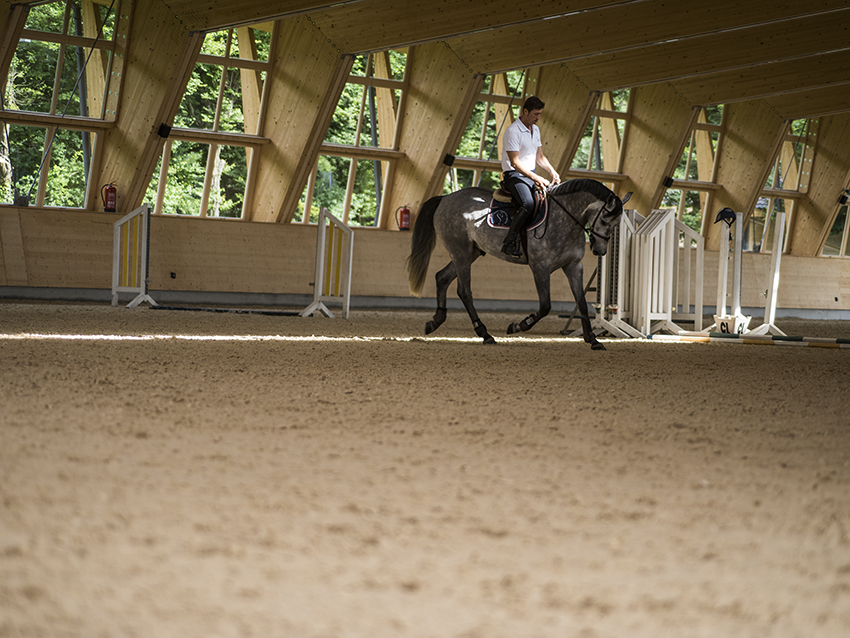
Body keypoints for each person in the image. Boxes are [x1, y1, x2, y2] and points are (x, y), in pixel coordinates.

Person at [499, 95, 561, 256]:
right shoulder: (513, 132)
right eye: (535, 114)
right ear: (525, 111)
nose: (538, 118)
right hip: (514, 175)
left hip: (530, 174)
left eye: (540, 114)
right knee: (528, 203)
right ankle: (509, 242)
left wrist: (551, 171)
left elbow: (539, 157)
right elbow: (515, 163)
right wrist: (537, 178)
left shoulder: (536, 129)